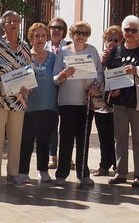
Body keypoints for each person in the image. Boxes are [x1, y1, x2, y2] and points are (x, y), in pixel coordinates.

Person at [107, 15, 139, 187]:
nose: (129, 33)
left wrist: (137, 70)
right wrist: (111, 90)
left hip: (138, 102)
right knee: (120, 138)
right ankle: (121, 173)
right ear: (122, 31)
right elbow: (108, 72)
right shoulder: (116, 51)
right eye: (127, 30)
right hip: (119, 101)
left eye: (133, 30)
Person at [0, 10, 31, 188]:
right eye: (9, 21)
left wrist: (29, 87)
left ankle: (13, 174)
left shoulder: (25, 46)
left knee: (15, 138)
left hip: (19, 99)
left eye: (16, 21)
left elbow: (29, 70)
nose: (13, 24)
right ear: (3, 25)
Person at [53, 21, 102, 186]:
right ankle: (62, 174)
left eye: (84, 33)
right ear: (72, 34)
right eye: (77, 33)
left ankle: (83, 173)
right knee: (66, 139)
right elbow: (55, 78)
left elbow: (100, 74)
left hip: (86, 103)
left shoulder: (93, 51)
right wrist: (63, 74)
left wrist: (96, 85)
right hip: (67, 102)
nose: (80, 36)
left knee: (84, 139)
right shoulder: (63, 52)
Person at [19, 22, 58, 183]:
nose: (40, 38)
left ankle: (43, 170)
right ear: (31, 38)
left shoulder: (54, 57)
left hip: (49, 105)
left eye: (43, 35)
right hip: (29, 106)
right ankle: (22, 172)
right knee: (26, 140)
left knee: (44, 139)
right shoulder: (24, 56)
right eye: (36, 36)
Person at [91, 27, 122, 177]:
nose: (112, 42)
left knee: (116, 135)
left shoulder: (122, 56)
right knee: (103, 135)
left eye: (116, 40)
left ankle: (118, 165)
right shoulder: (100, 57)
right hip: (101, 102)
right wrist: (103, 62)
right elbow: (95, 75)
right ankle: (104, 165)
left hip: (117, 102)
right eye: (110, 39)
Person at [46, 17, 70, 168]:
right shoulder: (42, 45)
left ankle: (67, 156)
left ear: (64, 32)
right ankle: (52, 156)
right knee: (51, 125)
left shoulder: (69, 47)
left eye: (60, 28)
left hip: (66, 89)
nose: (56, 30)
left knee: (67, 126)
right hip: (48, 90)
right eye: (54, 27)